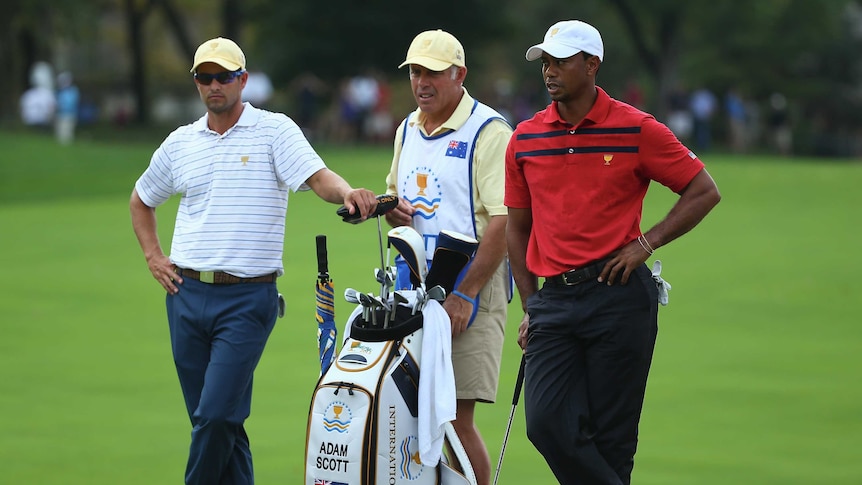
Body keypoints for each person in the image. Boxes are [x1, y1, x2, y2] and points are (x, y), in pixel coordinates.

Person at [129, 37, 378, 485]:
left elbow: (317, 177)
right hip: (184, 294)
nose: (214, 85)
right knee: (220, 426)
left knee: (216, 419)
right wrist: (154, 256)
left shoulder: (274, 130)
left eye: (224, 76)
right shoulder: (181, 142)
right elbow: (141, 199)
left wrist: (347, 193)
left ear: (242, 80)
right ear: (196, 84)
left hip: (247, 299)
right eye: (205, 77)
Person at [505, 20, 721, 484]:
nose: (550, 71)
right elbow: (516, 230)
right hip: (554, 302)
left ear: (592, 65)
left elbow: (703, 190)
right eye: (545, 62)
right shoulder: (525, 138)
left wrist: (647, 243)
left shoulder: (636, 128)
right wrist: (531, 304)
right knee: (545, 424)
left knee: (612, 439)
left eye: (560, 61)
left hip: (619, 296)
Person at [383, 29, 512, 485]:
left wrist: (465, 293)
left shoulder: (490, 131)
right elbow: (398, 203)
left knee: (455, 419)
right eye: (416, 72)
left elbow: (505, 220)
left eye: (434, 72)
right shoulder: (406, 128)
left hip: (474, 283)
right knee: (410, 413)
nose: (422, 82)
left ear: (460, 75)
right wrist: (391, 210)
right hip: (416, 286)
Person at [55, 71, 80, 144]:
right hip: (60, 114)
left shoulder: (72, 91)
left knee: (67, 133)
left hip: (69, 114)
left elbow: (71, 104)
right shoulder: (59, 92)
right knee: (60, 133)